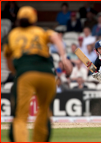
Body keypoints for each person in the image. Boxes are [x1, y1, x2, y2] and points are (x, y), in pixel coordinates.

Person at [3, 6, 72, 142]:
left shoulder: (12, 35)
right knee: (44, 111)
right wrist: (64, 57)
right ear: (34, 20)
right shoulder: (41, 31)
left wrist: (17, 72)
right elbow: (56, 38)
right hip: (47, 74)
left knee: (20, 117)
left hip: (26, 74)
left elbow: (9, 61)